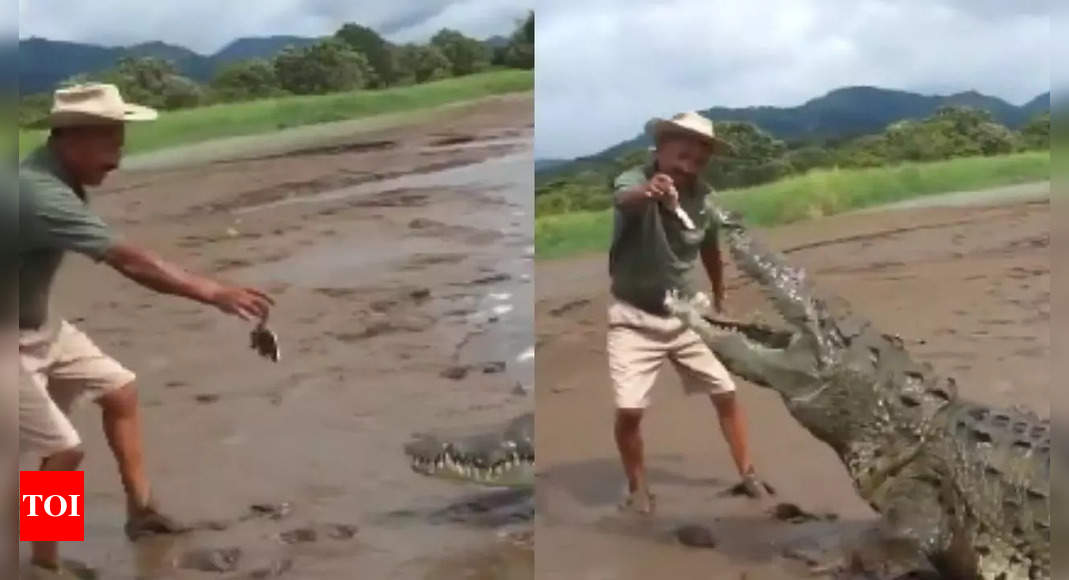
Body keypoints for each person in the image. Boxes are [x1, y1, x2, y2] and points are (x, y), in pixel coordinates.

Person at [18, 83, 275, 575]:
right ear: (71, 137)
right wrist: (213, 292)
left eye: (121, 139)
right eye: (110, 141)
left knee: (119, 391)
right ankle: (44, 564)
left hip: (40, 321)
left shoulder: (56, 175)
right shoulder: (38, 192)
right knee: (63, 449)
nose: (119, 154)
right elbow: (131, 262)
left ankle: (143, 513)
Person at [607, 110, 764, 514]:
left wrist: (719, 297)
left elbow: (709, 249)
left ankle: (749, 475)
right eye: (684, 146)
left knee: (726, 391)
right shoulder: (634, 180)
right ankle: (638, 487)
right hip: (634, 316)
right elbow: (623, 200)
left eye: (702, 151)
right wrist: (650, 192)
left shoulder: (705, 199)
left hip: (687, 314)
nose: (693, 156)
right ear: (660, 148)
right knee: (629, 409)